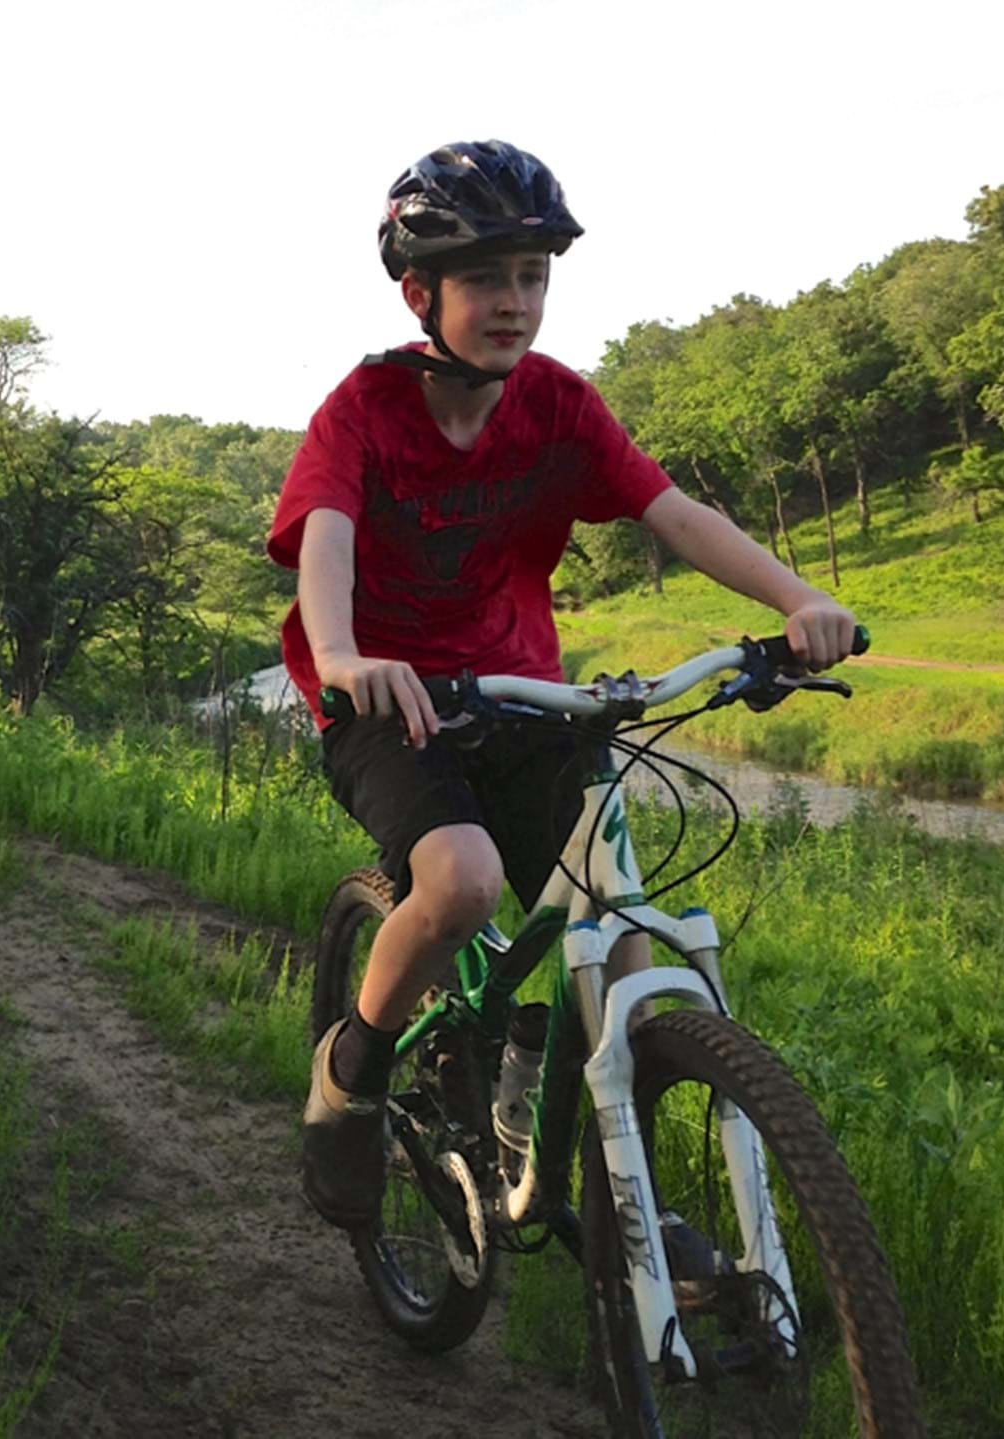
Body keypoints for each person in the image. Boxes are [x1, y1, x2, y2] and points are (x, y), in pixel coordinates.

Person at [266, 139, 859, 1230]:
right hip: (389, 703)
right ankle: (352, 1066)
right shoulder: (361, 410)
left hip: (528, 696)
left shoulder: (558, 405)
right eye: (487, 277)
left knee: (619, 936)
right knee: (463, 885)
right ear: (419, 291)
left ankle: (621, 1199)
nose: (515, 301)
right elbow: (328, 542)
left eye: (533, 276)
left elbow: (674, 513)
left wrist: (797, 600)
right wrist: (343, 652)